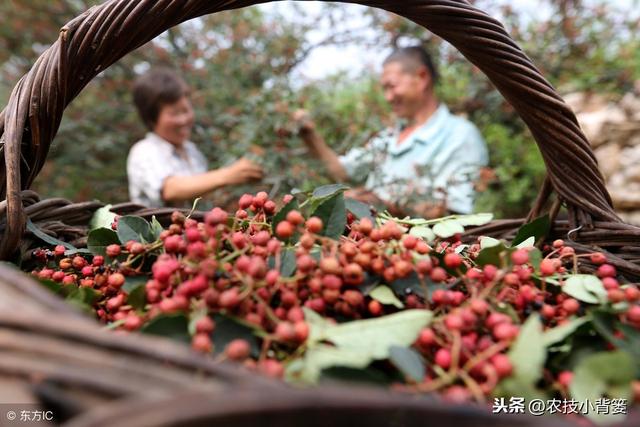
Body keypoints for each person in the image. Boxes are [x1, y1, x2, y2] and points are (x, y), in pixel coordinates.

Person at [295, 46, 488, 218]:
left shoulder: (460, 136)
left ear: (422, 78)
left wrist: (373, 201)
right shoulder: (388, 137)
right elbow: (343, 172)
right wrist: (310, 135)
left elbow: (454, 214)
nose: (388, 97)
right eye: (384, 89)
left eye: (392, 86)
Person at [127, 68, 263, 207]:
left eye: (186, 110)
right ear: (151, 119)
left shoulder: (192, 151)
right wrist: (228, 175)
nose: (183, 119)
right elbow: (170, 189)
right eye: (174, 113)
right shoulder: (144, 151)